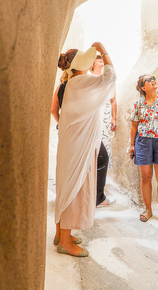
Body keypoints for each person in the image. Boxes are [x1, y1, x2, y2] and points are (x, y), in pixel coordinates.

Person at [53, 42, 116, 257]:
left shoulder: (74, 82)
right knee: (74, 185)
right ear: (83, 64)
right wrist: (104, 51)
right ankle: (65, 242)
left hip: (74, 142)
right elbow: (110, 78)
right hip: (77, 144)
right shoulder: (81, 81)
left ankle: (61, 233)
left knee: (67, 183)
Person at [129, 75, 158, 226]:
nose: (153, 80)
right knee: (145, 177)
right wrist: (132, 145)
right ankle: (148, 210)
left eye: (154, 78)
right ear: (144, 87)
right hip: (143, 142)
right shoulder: (138, 104)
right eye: (149, 80)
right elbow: (134, 126)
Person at [90, 55, 117, 207]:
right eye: (97, 58)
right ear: (91, 64)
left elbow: (114, 100)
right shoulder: (89, 78)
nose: (100, 59)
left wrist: (114, 118)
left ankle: (99, 192)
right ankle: (95, 194)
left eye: (102, 58)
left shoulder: (109, 81)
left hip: (105, 118)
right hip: (94, 118)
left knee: (103, 154)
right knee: (96, 156)